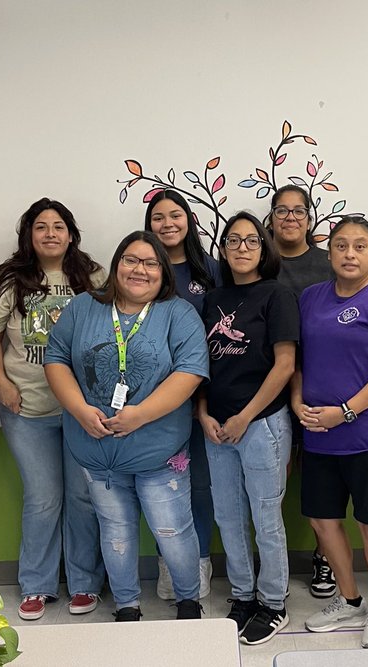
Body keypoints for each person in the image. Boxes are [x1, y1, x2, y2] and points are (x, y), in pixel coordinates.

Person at [44, 230, 210, 622]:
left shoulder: (178, 312)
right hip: (97, 450)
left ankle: (188, 601)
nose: (140, 270)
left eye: (151, 263)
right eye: (131, 260)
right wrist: (80, 408)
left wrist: (140, 415)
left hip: (158, 450)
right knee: (115, 533)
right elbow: (56, 357)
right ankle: (126, 605)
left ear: (163, 272)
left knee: (172, 531)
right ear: (116, 265)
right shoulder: (84, 307)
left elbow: (190, 371)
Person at [0, 198, 107, 620]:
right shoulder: (8, 279)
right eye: (40, 227)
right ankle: (37, 585)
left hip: (82, 410)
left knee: (82, 497)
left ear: (71, 234)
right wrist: (0, 386)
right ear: (28, 235)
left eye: (58, 226)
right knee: (43, 498)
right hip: (27, 408)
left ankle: (85, 582)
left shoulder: (94, 277)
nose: (50, 234)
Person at [295, 216, 368, 650]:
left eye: (360, 246)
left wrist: (344, 412)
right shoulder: (310, 298)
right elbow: (299, 358)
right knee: (322, 521)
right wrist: (298, 401)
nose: (349, 254)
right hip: (319, 430)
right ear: (329, 253)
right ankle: (348, 598)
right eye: (341, 246)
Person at [198, 212, 298, 645]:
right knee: (228, 516)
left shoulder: (277, 295)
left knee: (265, 517)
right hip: (217, 427)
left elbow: (285, 365)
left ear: (264, 248)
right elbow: (200, 364)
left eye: (252, 240)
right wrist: (203, 413)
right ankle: (242, 595)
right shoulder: (212, 299)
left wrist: (246, 416)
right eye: (233, 240)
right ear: (222, 249)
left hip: (262, 424)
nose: (242, 247)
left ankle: (273, 602)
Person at [144, 190, 218, 598]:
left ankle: (199, 563)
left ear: (189, 219)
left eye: (176, 215)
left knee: (200, 485)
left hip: (201, 401)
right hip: (152, 403)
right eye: (158, 217)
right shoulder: (140, 268)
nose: (167, 224)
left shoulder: (211, 271)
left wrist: (202, 398)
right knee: (162, 485)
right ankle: (169, 566)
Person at [267, 184, 337, 599]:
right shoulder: (259, 262)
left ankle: (324, 557)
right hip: (268, 386)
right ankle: (271, 563)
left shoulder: (328, 263)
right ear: (271, 219)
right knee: (274, 479)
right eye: (282, 211)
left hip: (321, 387)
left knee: (320, 478)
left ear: (309, 219)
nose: (290, 218)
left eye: (298, 211)